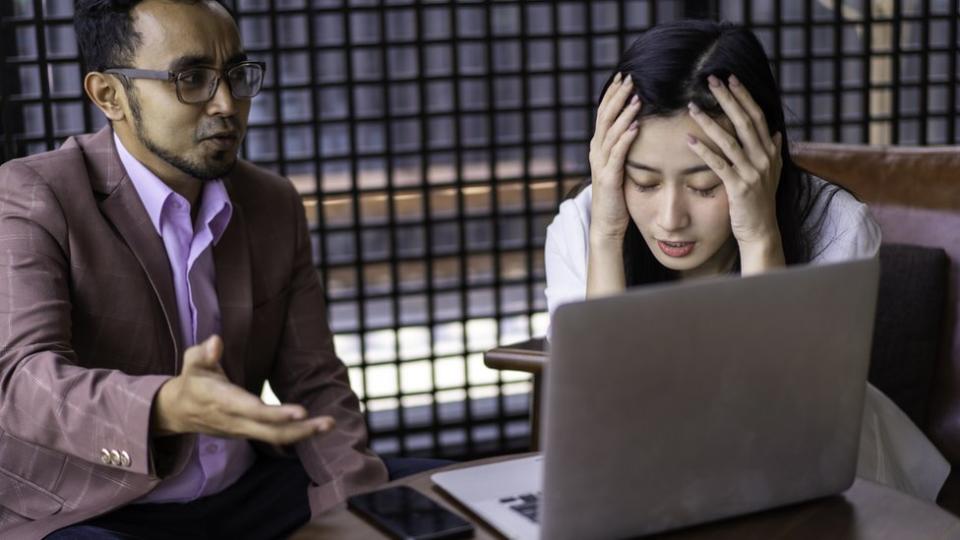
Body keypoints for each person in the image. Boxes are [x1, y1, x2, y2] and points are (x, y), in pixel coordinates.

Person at [0, 0, 397, 537]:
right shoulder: (33, 194)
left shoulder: (272, 202)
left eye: (235, 74)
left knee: (445, 502)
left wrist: (360, 502)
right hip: (99, 510)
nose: (227, 103)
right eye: (191, 78)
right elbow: (22, 382)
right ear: (109, 95)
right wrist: (166, 407)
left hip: (246, 495)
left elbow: (315, 380)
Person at [544, 20, 950, 502]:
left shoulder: (839, 226)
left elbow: (785, 428)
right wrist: (608, 236)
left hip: (827, 491)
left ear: (763, 160)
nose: (671, 219)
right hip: (654, 492)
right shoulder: (586, 224)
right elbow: (602, 424)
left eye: (704, 186)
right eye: (645, 183)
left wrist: (759, 236)